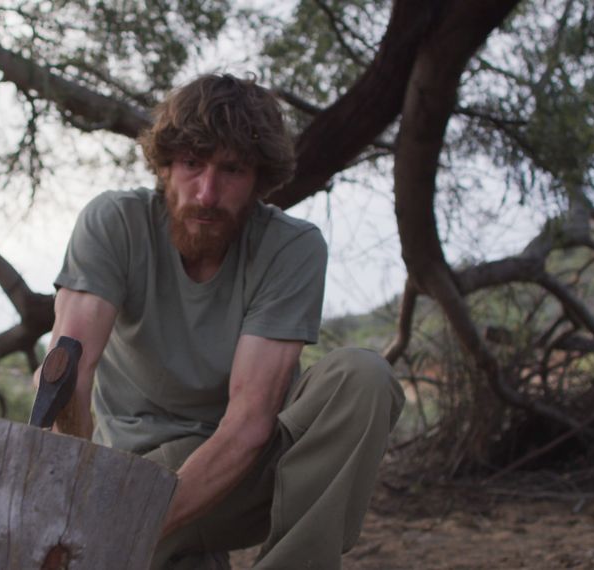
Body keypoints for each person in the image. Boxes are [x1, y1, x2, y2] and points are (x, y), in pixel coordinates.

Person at [41, 73, 404, 569]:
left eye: (231, 170)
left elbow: (250, 423)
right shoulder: (115, 223)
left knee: (364, 377)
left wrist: (134, 526)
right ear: (165, 166)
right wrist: (64, 510)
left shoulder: (290, 247)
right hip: (132, 473)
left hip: (240, 474)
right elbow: (67, 373)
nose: (208, 193)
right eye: (192, 163)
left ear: (259, 180)